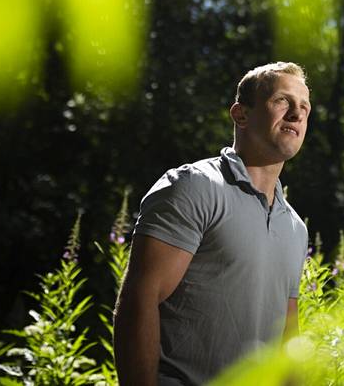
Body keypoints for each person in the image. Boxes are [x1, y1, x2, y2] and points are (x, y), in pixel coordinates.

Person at [113, 62, 311, 386]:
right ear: (241, 114)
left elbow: (287, 337)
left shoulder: (295, 228)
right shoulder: (194, 187)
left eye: (304, 107)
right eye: (282, 101)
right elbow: (139, 300)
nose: (296, 114)